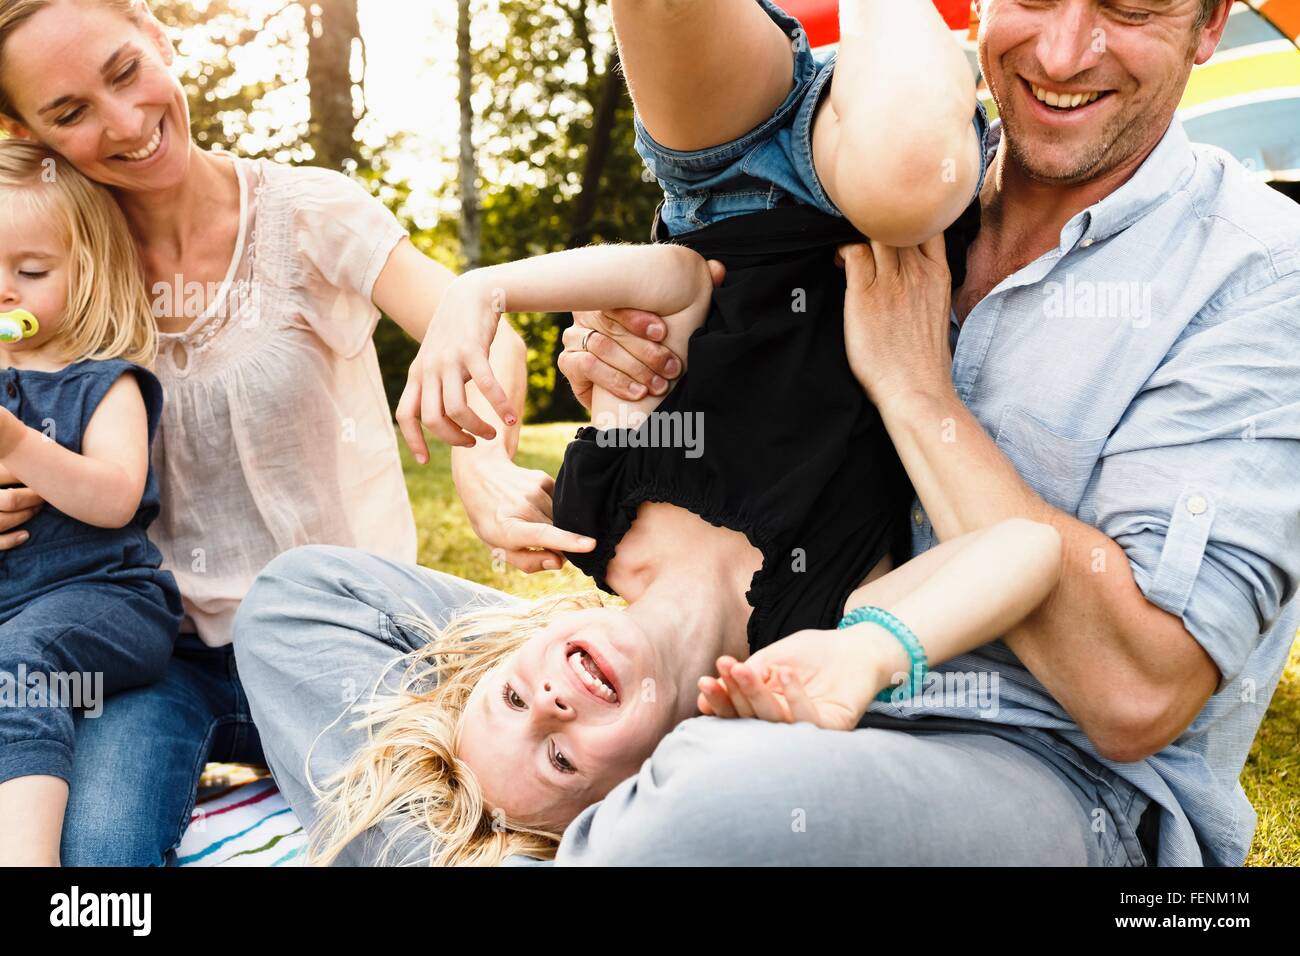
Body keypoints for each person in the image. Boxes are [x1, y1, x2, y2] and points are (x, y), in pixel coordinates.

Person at [240, 0, 1300, 867]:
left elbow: (1136, 694)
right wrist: (631, 356)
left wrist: (915, 391)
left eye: (1128, 9)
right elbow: (695, 286)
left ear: (1209, 26)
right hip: (740, 683)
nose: (1064, 50)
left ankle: (535, 835)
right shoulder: (910, 167)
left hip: (1036, 764)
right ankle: (483, 845)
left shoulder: (1257, 271)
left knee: (699, 804)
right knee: (299, 599)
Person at [295, 220, 1063, 865]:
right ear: (636, 790)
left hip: (759, 165)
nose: (553, 703)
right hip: (915, 223)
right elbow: (1024, 547)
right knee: (899, 158)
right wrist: (873, 654)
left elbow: (679, 280)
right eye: (560, 758)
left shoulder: (595, 513)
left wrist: (484, 290)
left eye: (514, 696)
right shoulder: (818, 633)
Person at [0, 0, 503, 864]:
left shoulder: (309, 213)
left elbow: (480, 329)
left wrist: (482, 456)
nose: (125, 123)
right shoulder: (48, 269)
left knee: (398, 834)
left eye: (125, 71)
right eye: (70, 111)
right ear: (27, 131)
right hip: (159, 652)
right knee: (98, 858)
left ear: (159, 37)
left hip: (328, 633)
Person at [0, 140, 183, 866]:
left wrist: (18, 447)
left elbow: (114, 498)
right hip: (15, 611)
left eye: (30, 271)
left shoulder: (105, 383)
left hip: (110, 602)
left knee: (20, 664)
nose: (4, 290)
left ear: (88, 273)